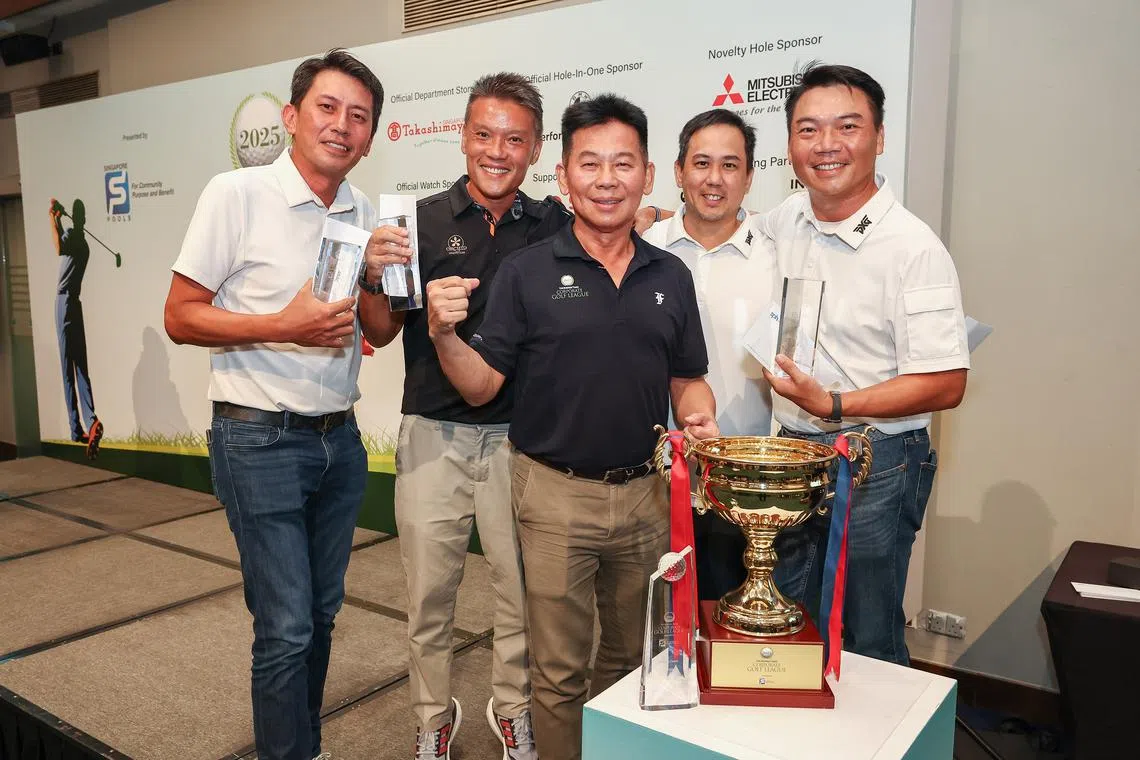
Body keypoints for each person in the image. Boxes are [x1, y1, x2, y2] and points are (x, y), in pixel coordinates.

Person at [425, 94, 718, 760]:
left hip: (645, 496)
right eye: (590, 164)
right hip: (552, 496)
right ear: (563, 176)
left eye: (624, 164)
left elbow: (687, 376)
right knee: (556, 674)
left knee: (625, 660)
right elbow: (480, 387)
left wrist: (698, 411)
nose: (607, 179)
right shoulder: (527, 273)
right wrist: (443, 334)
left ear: (648, 176)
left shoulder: (670, 272)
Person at [164, 49, 402, 760]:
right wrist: (280, 325)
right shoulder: (233, 194)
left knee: (321, 616)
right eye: (328, 109)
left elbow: (382, 333)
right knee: (286, 626)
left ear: (370, 135)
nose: (342, 126)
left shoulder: (363, 211)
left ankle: (306, 746)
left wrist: (377, 277)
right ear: (293, 118)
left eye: (359, 117)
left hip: (339, 441)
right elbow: (180, 315)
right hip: (256, 440)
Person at [358, 71, 571, 760]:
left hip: (525, 442)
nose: (497, 150)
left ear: (537, 148)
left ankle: (513, 710)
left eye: (514, 138)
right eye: (484, 135)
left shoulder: (557, 227)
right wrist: (370, 277)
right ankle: (431, 715)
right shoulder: (413, 221)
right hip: (432, 435)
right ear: (463, 137)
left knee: (521, 595)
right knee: (428, 595)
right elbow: (382, 329)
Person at [755, 63, 970, 665]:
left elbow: (947, 382)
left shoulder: (914, 248)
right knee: (789, 617)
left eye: (846, 126)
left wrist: (836, 405)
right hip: (796, 449)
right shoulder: (786, 220)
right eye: (808, 129)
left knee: (866, 632)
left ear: (879, 137)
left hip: (877, 459)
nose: (826, 145)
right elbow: (720, 236)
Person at [640, 108, 776, 602]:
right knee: (649, 630)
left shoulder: (777, 256)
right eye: (701, 163)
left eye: (730, 165)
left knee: (730, 631)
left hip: (745, 487)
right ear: (678, 172)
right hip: (651, 482)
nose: (713, 179)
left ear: (749, 176)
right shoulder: (641, 247)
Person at [50, 197, 102, 457]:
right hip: (76, 304)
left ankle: (75, 428)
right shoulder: (85, 244)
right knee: (81, 367)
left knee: (67, 369)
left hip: (64, 303)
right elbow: (64, 245)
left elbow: (59, 246)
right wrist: (59, 220)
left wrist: (54, 217)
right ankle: (91, 420)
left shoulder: (73, 237)